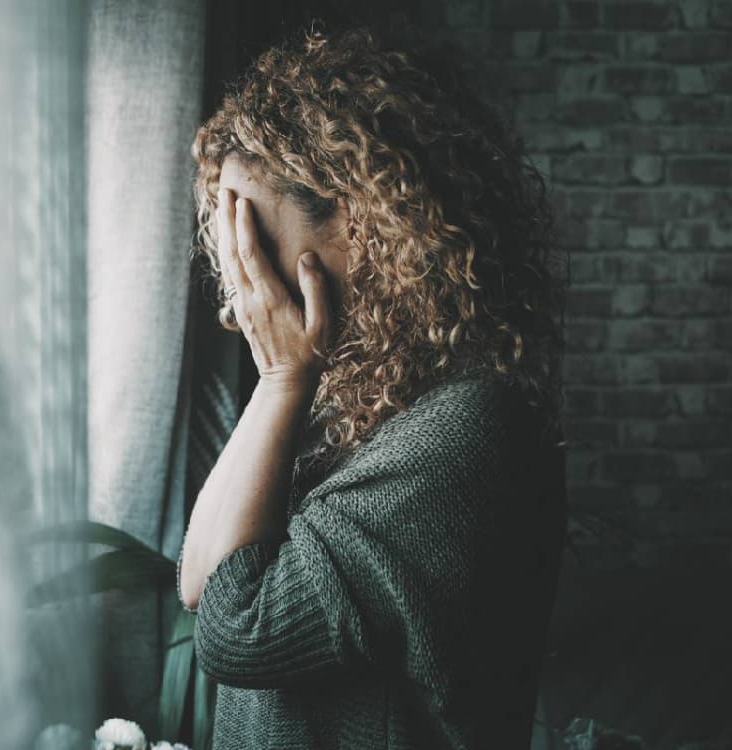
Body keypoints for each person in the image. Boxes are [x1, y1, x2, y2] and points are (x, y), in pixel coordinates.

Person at [177, 21, 568, 750]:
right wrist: (286, 382)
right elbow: (200, 580)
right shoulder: (354, 399)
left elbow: (239, 631)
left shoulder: (470, 427)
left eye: (253, 237)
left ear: (367, 226)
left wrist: (285, 377)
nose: (240, 280)